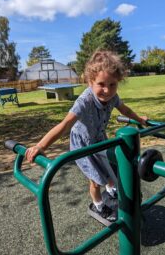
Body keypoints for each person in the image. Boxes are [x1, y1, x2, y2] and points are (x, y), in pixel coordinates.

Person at [26, 50, 147, 225]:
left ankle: (111, 189)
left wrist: (140, 119)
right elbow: (65, 125)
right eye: (101, 84)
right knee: (95, 179)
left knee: (109, 170)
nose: (107, 90)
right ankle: (98, 205)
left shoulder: (113, 97)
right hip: (82, 146)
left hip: (99, 139)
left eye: (113, 84)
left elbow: (125, 110)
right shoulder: (84, 102)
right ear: (90, 82)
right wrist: (41, 146)